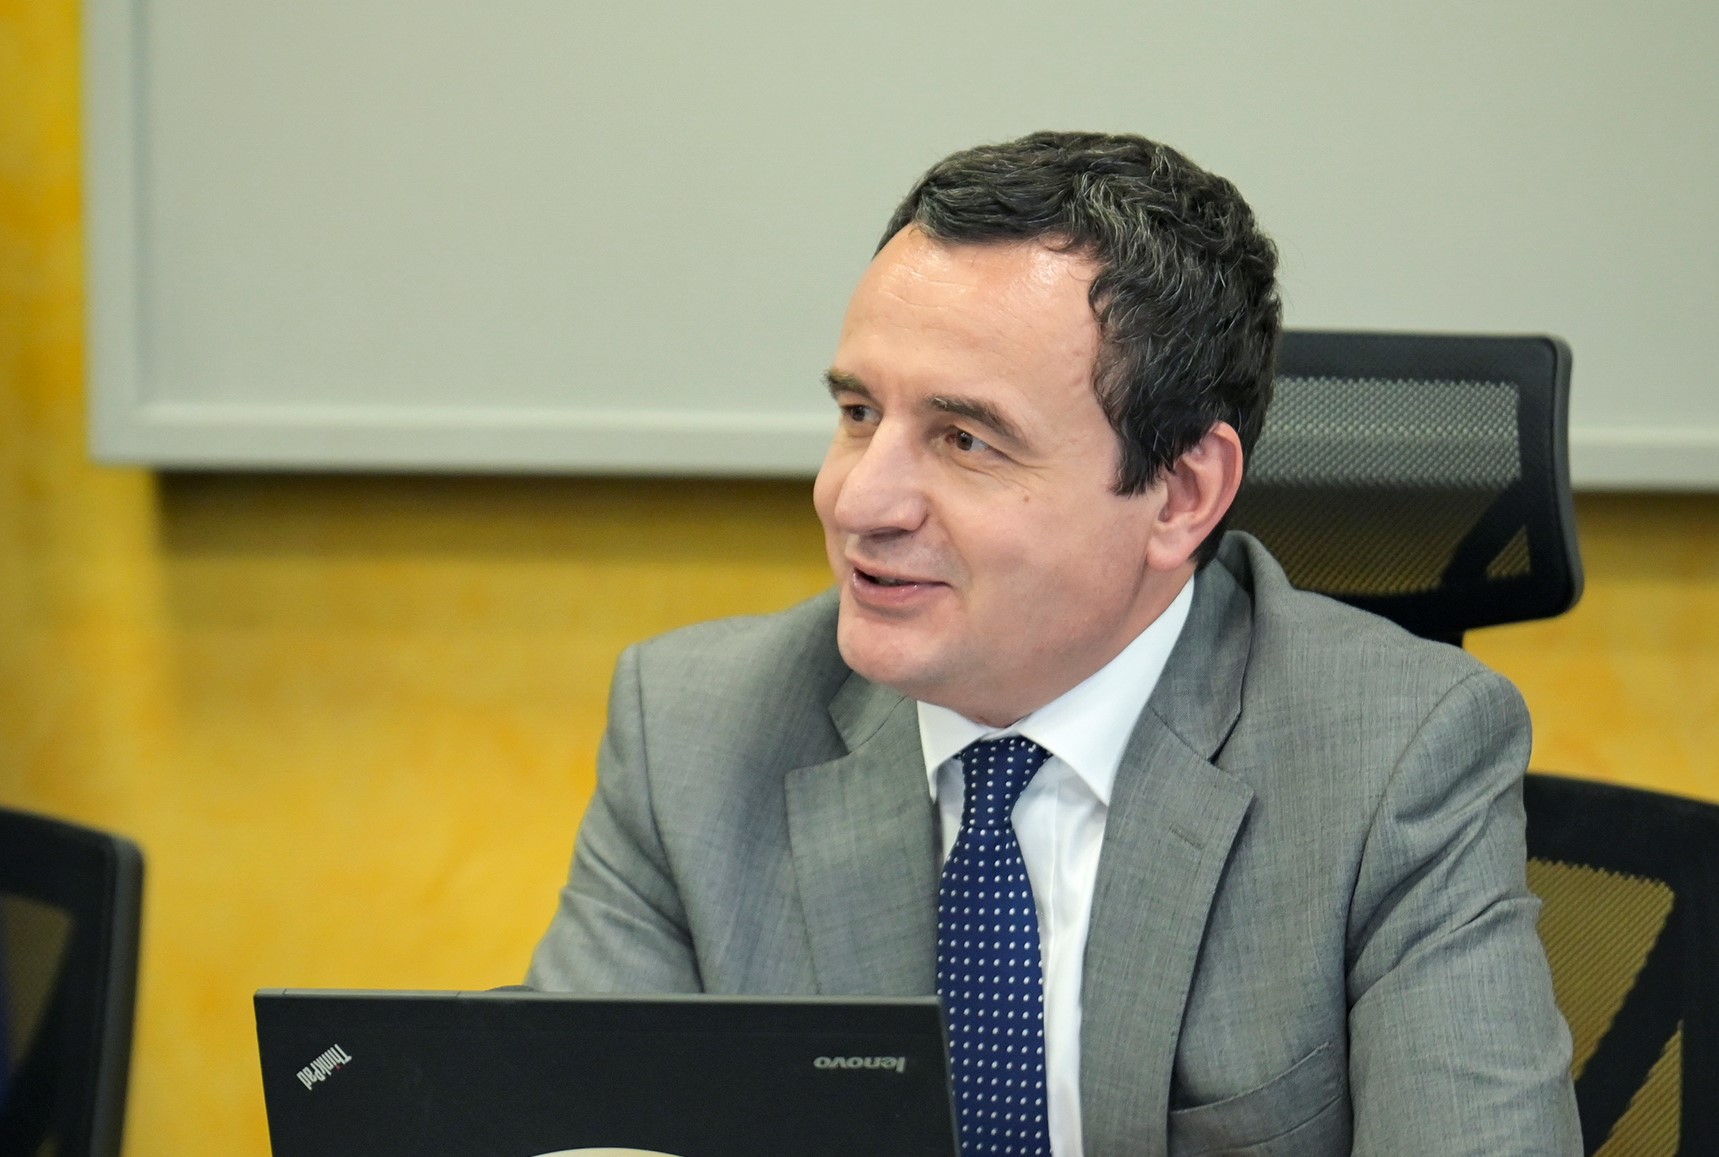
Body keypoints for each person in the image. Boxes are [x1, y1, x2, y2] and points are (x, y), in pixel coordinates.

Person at [528, 131, 1581, 1156]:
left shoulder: (1391, 757)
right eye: (857, 412)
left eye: (965, 438)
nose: (857, 500)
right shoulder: (694, 733)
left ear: (1181, 493)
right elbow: (578, 1124)